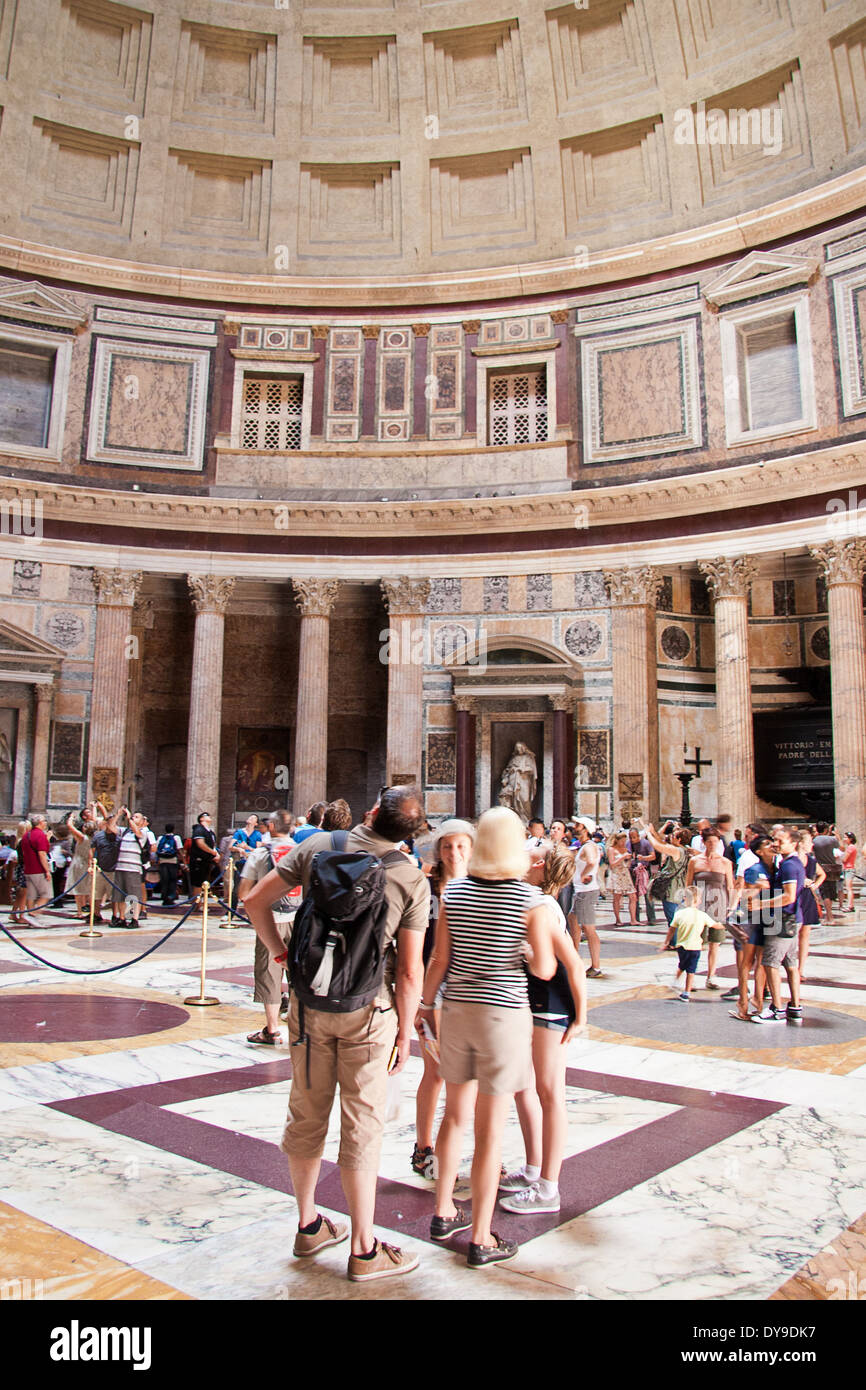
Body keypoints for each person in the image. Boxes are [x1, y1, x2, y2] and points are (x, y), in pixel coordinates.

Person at [245, 786, 429, 1284]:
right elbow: (410, 971)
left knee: (306, 1111)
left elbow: (254, 901)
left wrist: (282, 956)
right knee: (361, 1123)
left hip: (308, 1003)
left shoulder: (320, 846)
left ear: (371, 813)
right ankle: (365, 1248)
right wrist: (407, 1034)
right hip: (370, 1009)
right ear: (412, 834)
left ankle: (309, 1225)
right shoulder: (411, 878)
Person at [419, 807, 557, 1269]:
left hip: (456, 1011)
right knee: (490, 1130)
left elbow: (438, 961)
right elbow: (543, 969)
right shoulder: (530, 900)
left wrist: (423, 1007)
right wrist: (527, 949)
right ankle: (480, 1236)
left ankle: (442, 1211)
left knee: (454, 1115)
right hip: (503, 1017)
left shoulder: (453, 893)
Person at [500, 842, 587, 1214]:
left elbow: (574, 965)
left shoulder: (545, 907)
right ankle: (533, 1168)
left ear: (537, 864)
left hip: (549, 1006)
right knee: (524, 1089)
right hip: (529, 1003)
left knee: (550, 1093)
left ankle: (549, 1187)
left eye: (531, 847)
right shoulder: (530, 898)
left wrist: (581, 1016)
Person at [411, 818, 475, 1181]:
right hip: (430, 991)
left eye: (461, 846)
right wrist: (420, 997)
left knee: (473, 1080)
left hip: (468, 993)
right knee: (434, 1072)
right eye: (448, 846)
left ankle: (478, 1150)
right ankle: (423, 1147)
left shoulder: (481, 885)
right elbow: (418, 941)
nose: (454, 853)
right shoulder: (426, 885)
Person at [241, 809, 297, 1046]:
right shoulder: (302, 851)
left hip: (270, 920)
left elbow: (244, 893)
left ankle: (272, 1029)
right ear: (292, 828)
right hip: (299, 920)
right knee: (299, 973)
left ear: (271, 827)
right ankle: (298, 1027)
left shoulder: (261, 853)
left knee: (269, 974)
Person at [752, 825, 804, 1024]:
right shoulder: (790, 863)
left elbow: (788, 896)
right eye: (775, 840)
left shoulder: (790, 865)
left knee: (770, 963)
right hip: (793, 919)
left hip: (782, 918)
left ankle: (777, 1009)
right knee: (791, 964)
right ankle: (795, 1006)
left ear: (793, 843)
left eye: (780, 841)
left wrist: (761, 904)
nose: (776, 844)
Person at [685, 830, 733, 989]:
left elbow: (730, 886)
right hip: (698, 905)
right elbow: (688, 884)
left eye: (715, 842)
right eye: (709, 842)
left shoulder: (725, 862)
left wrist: (731, 907)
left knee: (715, 942)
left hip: (718, 906)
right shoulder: (694, 861)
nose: (712, 845)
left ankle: (711, 976)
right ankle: (689, 977)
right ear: (704, 842)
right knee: (694, 942)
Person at [663, 886, 724, 1001]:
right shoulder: (702, 915)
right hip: (695, 947)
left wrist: (666, 942)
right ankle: (686, 993)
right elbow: (715, 925)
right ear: (699, 901)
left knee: (682, 965)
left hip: (681, 946)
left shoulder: (679, 914)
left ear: (685, 898)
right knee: (691, 971)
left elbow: (671, 929)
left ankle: (676, 980)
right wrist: (725, 924)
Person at [568, 819, 604, 977]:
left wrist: (584, 874)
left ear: (585, 828)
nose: (575, 827)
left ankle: (596, 966)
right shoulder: (586, 845)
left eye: (578, 825)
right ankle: (574, 958)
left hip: (586, 891)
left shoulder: (589, 846)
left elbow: (591, 861)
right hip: (582, 891)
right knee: (572, 920)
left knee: (588, 928)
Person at [796, 827, 824, 981]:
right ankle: (792, 967)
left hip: (806, 896)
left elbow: (822, 874)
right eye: (809, 842)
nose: (812, 845)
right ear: (801, 843)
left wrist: (814, 885)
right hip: (794, 896)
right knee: (793, 933)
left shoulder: (811, 860)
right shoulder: (792, 859)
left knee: (805, 934)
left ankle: (801, 969)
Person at [19, 813, 52, 919]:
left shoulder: (26, 835)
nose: (46, 823)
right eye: (45, 821)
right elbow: (42, 854)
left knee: (31, 895)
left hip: (28, 869)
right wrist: (47, 870)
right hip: (38, 869)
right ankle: (34, 912)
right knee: (47, 894)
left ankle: (30, 914)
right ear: (41, 823)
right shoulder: (40, 835)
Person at [812, 821, 842, 927]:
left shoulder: (814, 840)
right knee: (831, 892)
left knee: (825, 893)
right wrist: (836, 835)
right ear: (826, 829)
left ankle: (829, 916)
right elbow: (841, 847)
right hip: (832, 868)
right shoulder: (832, 840)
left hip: (821, 868)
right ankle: (830, 916)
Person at [189, 812, 220, 905]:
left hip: (207, 861)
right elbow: (200, 843)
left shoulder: (210, 832)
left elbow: (213, 845)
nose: (209, 817)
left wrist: (216, 854)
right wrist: (212, 852)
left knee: (204, 882)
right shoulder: (199, 829)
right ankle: (196, 905)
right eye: (206, 816)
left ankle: (202, 903)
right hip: (199, 860)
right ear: (201, 819)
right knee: (198, 883)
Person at [607, 831, 636, 927]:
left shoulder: (625, 849)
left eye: (625, 841)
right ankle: (618, 919)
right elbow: (612, 864)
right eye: (622, 841)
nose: (623, 843)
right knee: (617, 897)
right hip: (616, 873)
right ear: (617, 840)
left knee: (633, 896)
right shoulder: (611, 849)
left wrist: (630, 859)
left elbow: (627, 863)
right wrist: (622, 857)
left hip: (625, 873)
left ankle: (633, 919)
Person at [155, 824, 184, 906]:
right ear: (173, 829)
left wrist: (156, 861)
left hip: (162, 861)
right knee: (172, 880)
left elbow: (157, 849)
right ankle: (171, 897)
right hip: (173, 861)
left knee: (164, 880)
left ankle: (164, 897)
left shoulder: (160, 838)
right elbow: (180, 850)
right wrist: (184, 861)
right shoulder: (176, 838)